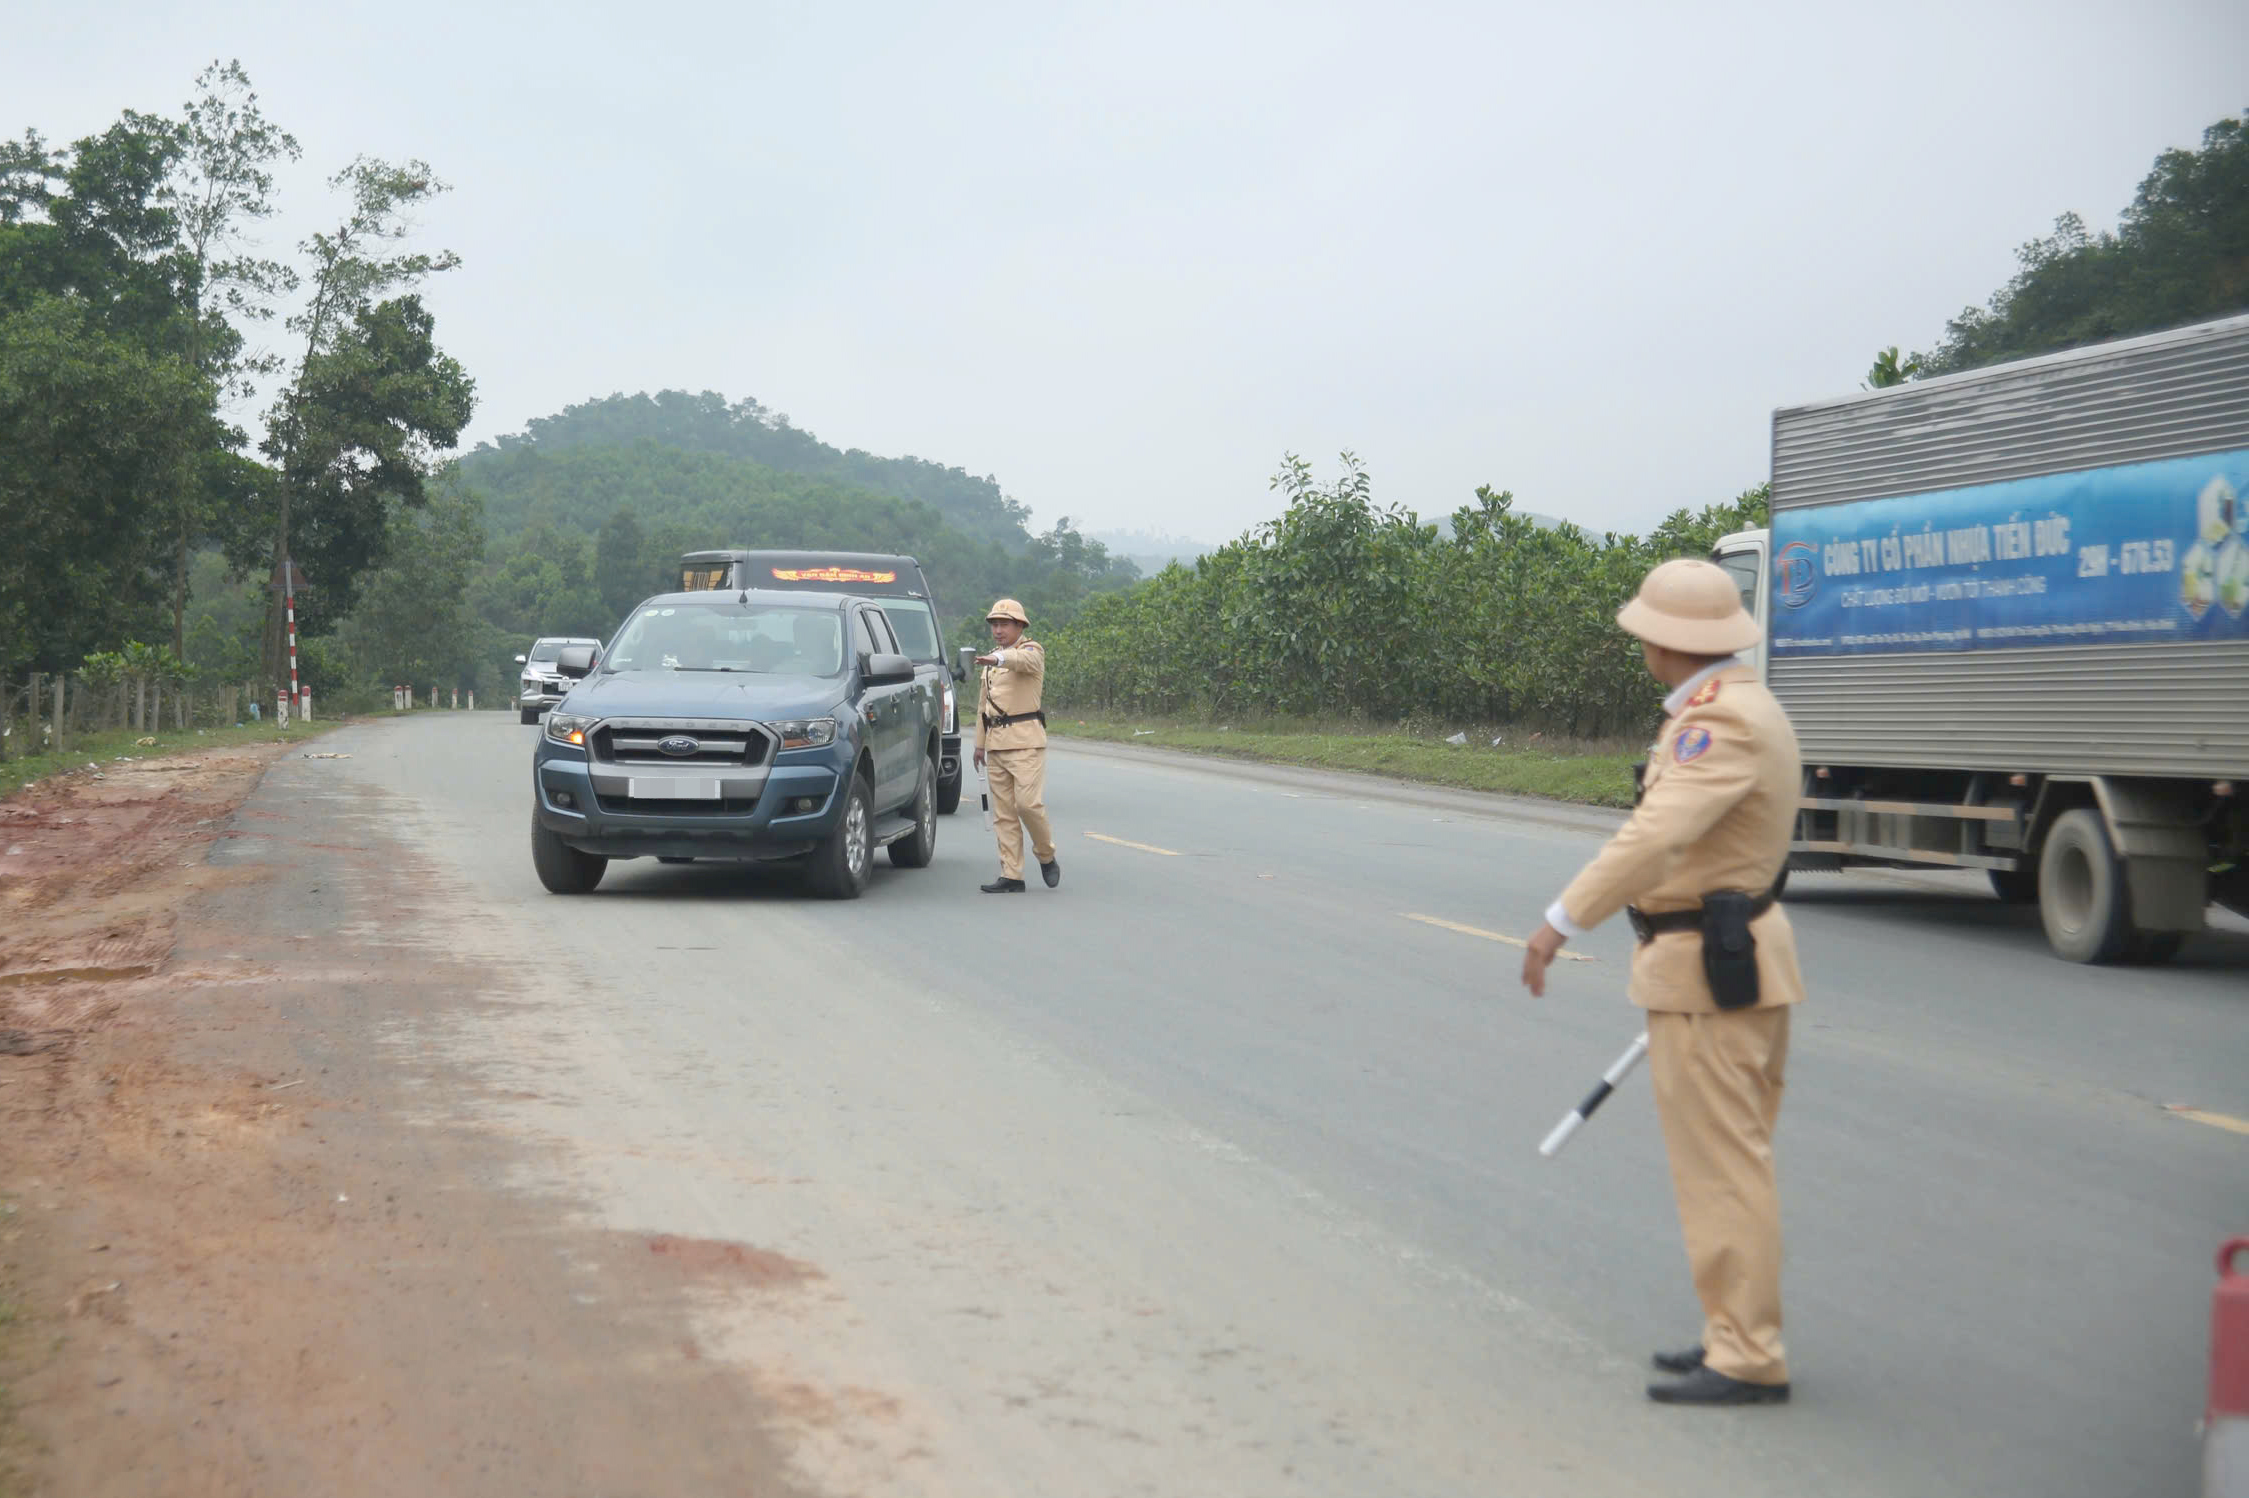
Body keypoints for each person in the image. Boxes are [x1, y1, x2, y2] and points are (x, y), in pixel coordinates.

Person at [1519, 557, 1806, 1407]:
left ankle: (1745, 1355)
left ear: (1665, 641)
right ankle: (1732, 1334)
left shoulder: (1716, 722)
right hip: (1730, 957)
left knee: (1722, 1172)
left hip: (1707, 967)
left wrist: (1560, 920)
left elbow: (1655, 836)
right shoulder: (1744, 705)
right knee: (1730, 1163)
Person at [973, 598, 1059, 893]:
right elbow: (983, 706)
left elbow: (1022, 661)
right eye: (994, 625)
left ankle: (1046, 854)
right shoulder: (991, 662)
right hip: (996, 744)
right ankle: (1012, 875)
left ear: (1020, 626)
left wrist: (998, 658)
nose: (998, 630)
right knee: (1005, 814)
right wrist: (979, 744)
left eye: (1004, 624)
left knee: (1027, 805)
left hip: (1025, 743)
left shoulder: (1031, 651)